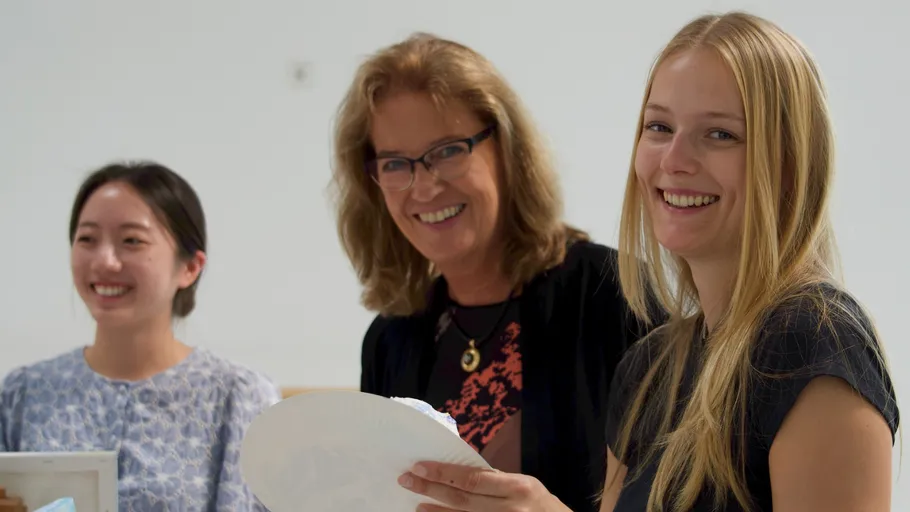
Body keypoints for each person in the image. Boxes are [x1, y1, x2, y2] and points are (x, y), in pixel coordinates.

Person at [330, 33, 660, 512]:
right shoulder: (389, 341)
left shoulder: (616, 296)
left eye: (447, 151)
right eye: (396, 163)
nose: (424, 186)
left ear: (506, 149)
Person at [597, 12, 900, 512]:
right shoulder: (647, 371)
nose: (674, 158)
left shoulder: (810, 342)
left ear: (788, 163)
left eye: (720, 135)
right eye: (659, 126)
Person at [0, 161, 281, 511]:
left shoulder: (241, 398)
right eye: (87, 239)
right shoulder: (22, 394)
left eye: (132, 241)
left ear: (190, 267)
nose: (105, 261)